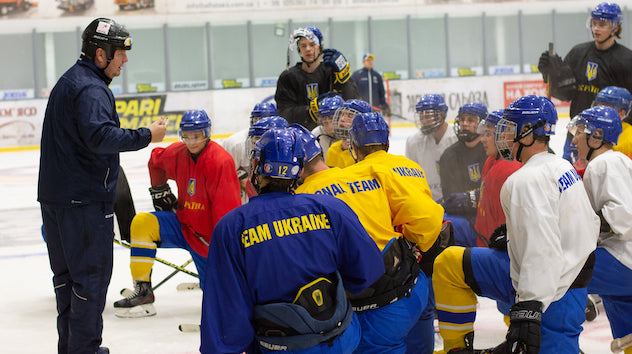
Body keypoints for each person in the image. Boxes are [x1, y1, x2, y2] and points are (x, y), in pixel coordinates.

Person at [38, 17, 168, 353]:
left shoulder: (71, 81)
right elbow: (100, 137)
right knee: (89, 283)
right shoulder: (92, 89)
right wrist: (147, 135)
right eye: (120, 53)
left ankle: (72, 348)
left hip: (57, 200)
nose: (125, 60)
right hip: (82, 203)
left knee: (67, 281)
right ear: (100, 54)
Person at [432, 95, 599, 354]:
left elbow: (540, 248)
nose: (502, 135)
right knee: (450, 263)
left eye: (509, 128)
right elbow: (583, 224)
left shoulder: (523, 180)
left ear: (528, 133)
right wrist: (512, 236)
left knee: (447, 264)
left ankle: (454, 348)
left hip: (552, 293)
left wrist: (528, 309)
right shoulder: (561, 165)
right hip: (572, 283)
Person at [200, 128, 384, 354]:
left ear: (257, 167)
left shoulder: (232, 226)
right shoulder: (329, 207)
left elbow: (227, 310)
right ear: (298, 169)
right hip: (341, 339)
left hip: (281, 345)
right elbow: (368, 270)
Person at [295, 113, 444, 354]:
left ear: (353, 145)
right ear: (386, 141)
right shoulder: (407, 165)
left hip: (382, 298)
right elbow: (425, 216)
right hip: (416, 276)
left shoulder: (365, 172)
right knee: (421, 323)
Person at [113, 110, 241, 318]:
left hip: (208, 240)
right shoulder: (178, 153)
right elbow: (155, 160)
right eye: (187, 136)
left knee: (222, 300)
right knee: (142, 223)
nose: (191, 141)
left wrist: (223, 251)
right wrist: (159, 189)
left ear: (207, 133)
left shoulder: (220, 161)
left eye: (197, 136)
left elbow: (227, 213)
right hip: (183, 226)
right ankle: (144, 291)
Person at [568, 106, 632, 354]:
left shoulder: (603, 163)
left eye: (580, 132)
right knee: (627, 333)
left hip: (623, 260)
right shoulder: (618, 161)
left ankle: (560, 344)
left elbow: (624, 217)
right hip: (622, 260)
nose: (574, 138)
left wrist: (576, 222)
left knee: (557, 275)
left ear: (597, 136)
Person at [538, 2, 632, 163]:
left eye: (602, 24)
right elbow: (565, 93)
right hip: (577, 133)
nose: (596, 28)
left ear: (615, 27)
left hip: (606, 138)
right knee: (571, 181)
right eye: (594, 23)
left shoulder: (626, 60)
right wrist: (550, 74)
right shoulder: (578, 53)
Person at [274, 26, 359, 131]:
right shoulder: (288, 77)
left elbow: (351, 101)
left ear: (320, 47)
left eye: (312, 44)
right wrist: (310, 111)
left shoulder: (331, 71)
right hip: (301, 135)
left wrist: (344, 78)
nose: (308, 49)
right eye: (303, 46)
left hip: (333, 134)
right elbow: (284, 113)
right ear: (298, 49)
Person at [439, 102, 488, 247]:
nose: (464, 124)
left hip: (486, 217)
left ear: (482, 124)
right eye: (462, 119)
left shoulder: (491, 151)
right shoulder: (448, 155)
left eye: (471, 120)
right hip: (461, 219)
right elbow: (450, 198)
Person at [472, 109, 522, 247]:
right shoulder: (491, 160)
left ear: (504, 136)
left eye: (488, 134)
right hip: (483, 239)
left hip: (493, 249)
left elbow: (504, 224)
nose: (482, 139)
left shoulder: (506, 170)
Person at [222, 102, 278, 204]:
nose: (261, 125)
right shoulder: (235, 143)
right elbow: (227, 174)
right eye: (257, 120)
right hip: (245, 201)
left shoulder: (283, 141)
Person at [405, 94, 458, 202]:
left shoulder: (457, 138)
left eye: (427, 117)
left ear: (441, 115)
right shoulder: (413, 142)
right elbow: (410, 178)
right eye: (421, 117)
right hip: (427, 203)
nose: (423, 121)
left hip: (455, 203)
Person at [326, 99, 372, 169]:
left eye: (350, 115)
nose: (342, 119)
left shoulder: (368, 150)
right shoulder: (333, 150)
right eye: (341, 114)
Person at [311, 92, 343, 162]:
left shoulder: (350, 133)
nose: (330, 127)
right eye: (325, 122)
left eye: (332, 120)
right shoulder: (316, 134)